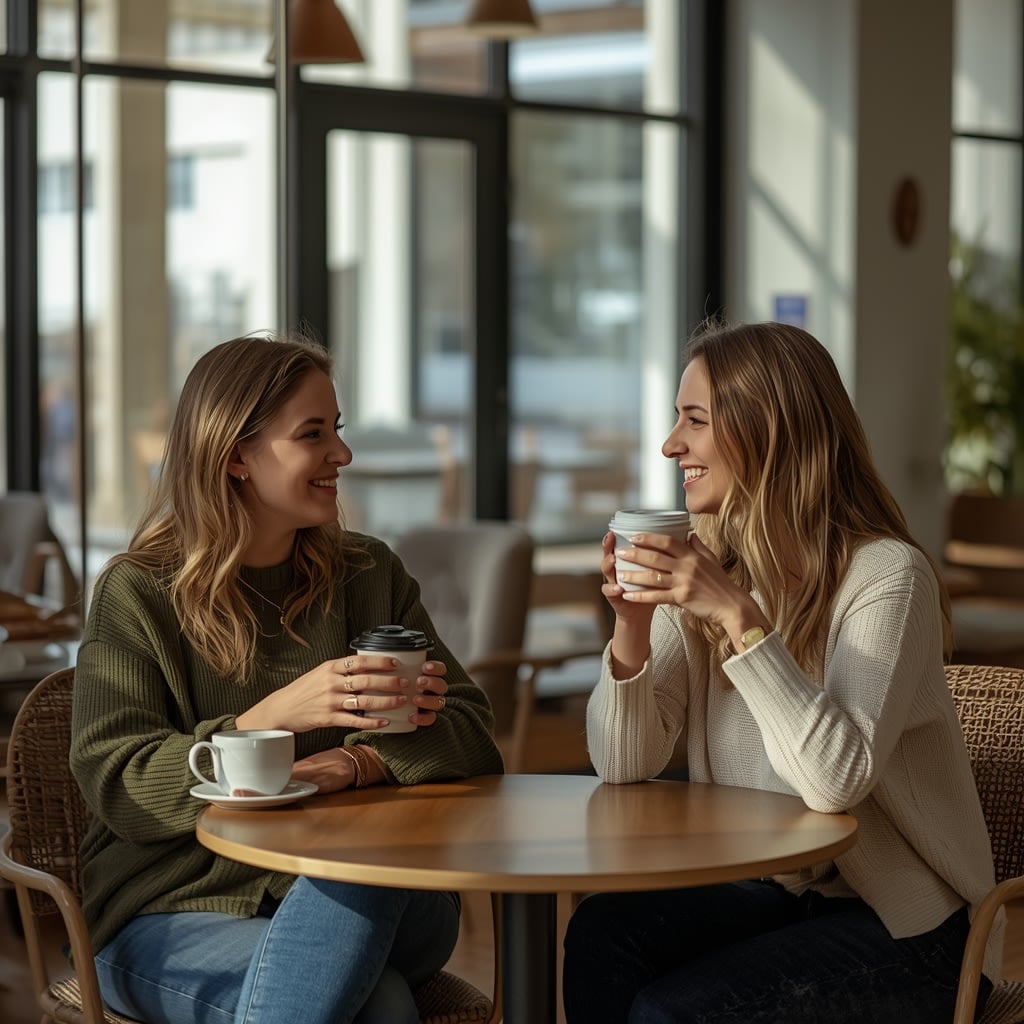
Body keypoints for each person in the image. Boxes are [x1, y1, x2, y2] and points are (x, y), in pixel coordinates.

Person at [562, 319, 998, 1024]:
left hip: (910, 929)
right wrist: (633, 626)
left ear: (764, 431)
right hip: (773, 894)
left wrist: (740, 620)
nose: (670, 444)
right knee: (602, 934)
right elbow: (621, 762)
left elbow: (837, 778)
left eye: (694, 421)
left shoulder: (886, 577)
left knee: (670, 1013)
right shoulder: (708, 564)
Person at [69, 332, 503, 1024]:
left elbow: (473, 732)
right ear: (235, 455)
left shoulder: (369, 574)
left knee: (363, 862)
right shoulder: (139, 593)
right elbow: (119, 784)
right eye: (313, 434)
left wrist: (361, 763)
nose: (343, 454)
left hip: (369, 896)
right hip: (172, 908)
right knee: (384, 1004)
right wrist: (270, 719)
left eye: (338, 429)